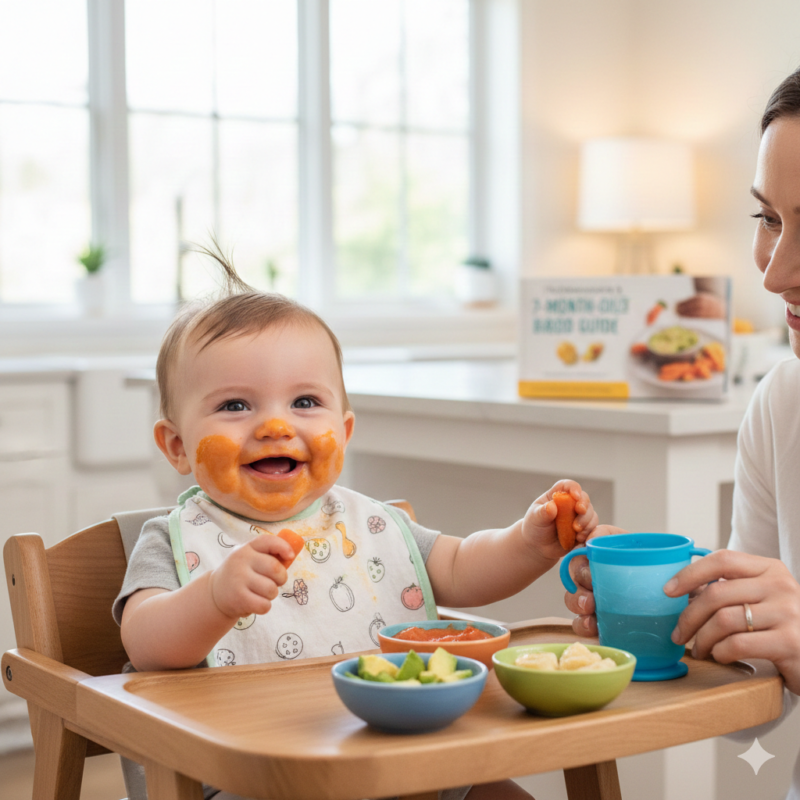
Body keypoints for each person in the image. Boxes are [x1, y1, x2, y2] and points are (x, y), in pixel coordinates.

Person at [114, 250, 602, 800]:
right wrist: (214, 597)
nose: (276, 425)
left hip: (407, 755)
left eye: (304, 401)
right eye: (234, 406)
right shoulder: (175, 539)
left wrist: (527, 541)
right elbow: (146, 641)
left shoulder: (372, 525)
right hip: (255, 778)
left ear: (343, 431)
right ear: (176, 446)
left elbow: (464, 568)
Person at [565, 66, 800, 799]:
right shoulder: (783, 403)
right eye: (769, 220)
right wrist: (669, 616)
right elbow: (755, 705)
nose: (774, 273)